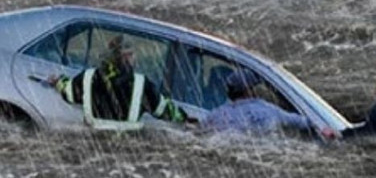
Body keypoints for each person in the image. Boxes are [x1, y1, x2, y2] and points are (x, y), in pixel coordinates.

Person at [51, 35, 186, 131]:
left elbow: (68, 92)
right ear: (125, 57)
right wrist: (187, 119)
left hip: (94, 144)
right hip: (127, 152)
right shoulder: (142, 84)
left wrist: (58, 81)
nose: (135, 58)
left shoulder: (88, 77)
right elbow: (166, 112)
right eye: (132, 54)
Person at [201, 68, 315, 136]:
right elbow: (303, 122)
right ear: (249, 90)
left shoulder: (215, 115)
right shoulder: (265, 110)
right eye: (256, 86)